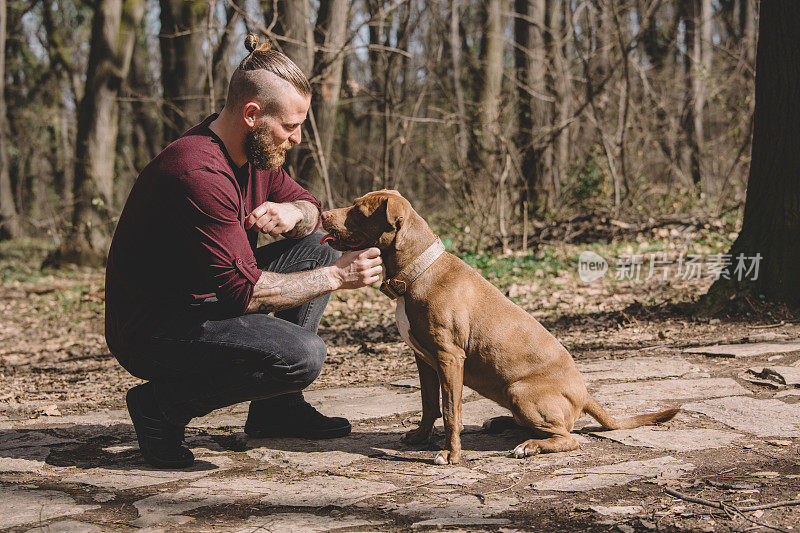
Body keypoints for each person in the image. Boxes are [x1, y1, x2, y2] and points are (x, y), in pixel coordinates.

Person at [104, 35, 382, 469]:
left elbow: (314, 209)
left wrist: (295, 212)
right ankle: (160, 406)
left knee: (317, 247)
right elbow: (244, 294)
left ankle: (277, 410)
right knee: (302, 356)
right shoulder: (198, 171)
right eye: (291, 125)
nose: (298, 138)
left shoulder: (254, 153)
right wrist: (338, 278)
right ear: (252, 114)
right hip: (153, 330)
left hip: (207, 299)